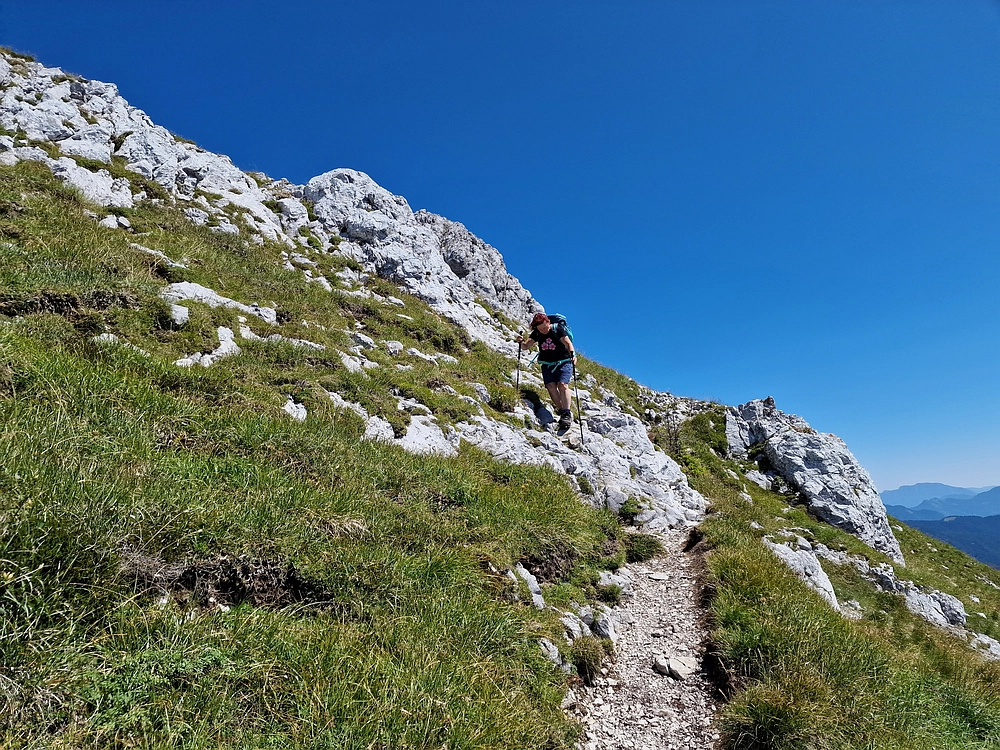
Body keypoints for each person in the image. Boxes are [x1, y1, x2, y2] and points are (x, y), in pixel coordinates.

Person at [516, 312, 577, 431]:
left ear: (548, 322)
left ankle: (566, 413)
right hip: (547, 364)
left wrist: (573, 355)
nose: (543, 330)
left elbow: (567, 343)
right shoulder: (537, 333)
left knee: (562, 385)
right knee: (550, 386)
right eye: (540, 329)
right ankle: (562, 411)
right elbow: (526, 347)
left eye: (545, 327)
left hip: (564, 361)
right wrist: (520, 342)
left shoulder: (557, 329)